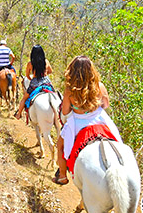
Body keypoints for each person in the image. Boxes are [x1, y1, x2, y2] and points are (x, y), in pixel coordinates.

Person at [52, 55, 123, 185]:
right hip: (99, 119)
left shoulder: (70, 89)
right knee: (118, 140)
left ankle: (62, 175)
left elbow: (65, 112)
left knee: (60, 146)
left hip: (78, 123)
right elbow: (105, 105)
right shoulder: (99, 86)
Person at [14, 45, 54, 120]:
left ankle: (19, 113)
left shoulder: (30, 63)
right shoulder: (46, 61)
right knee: (55, 95)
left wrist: (31, 78)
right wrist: (44, 74)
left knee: (24, 99)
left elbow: (27, 75)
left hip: (35, 83)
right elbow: (50, 71)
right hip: (46, 81)